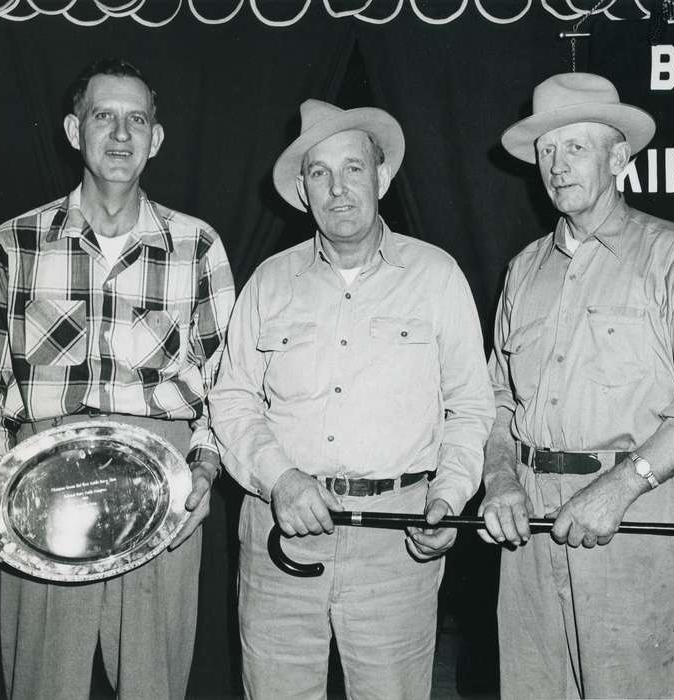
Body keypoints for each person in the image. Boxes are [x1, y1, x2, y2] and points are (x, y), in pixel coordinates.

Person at [209, 98, 494, 700]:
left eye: (354, 168)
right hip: (279, 536)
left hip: (397, 543)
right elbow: (232, 401)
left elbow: (471, 405)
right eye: (320, 173)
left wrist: (448, 496)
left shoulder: (437, 276)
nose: (338, 189)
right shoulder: (268, 282)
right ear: (302, 192)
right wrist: (281, 480)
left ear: (382, 177)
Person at [0, 58, 235, 700]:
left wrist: (202, 468)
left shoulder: (197, 247)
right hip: (42, 488)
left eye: (137, 119)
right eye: (103, 117)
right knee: (43, 684)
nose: (121, 134)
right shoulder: (16, 244)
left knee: (153, 685)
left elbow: (229, 377)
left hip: (162, 486)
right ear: (72, 129)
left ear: (157, 137)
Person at [479, 72, 674, 698]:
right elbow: (497, 402)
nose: (557, 165)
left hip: (630, 516)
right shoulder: (523, 270)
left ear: (619, 157)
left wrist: (618, 490)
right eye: (546, 150)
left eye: (575, 147)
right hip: (528, 528)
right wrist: (500, 479)